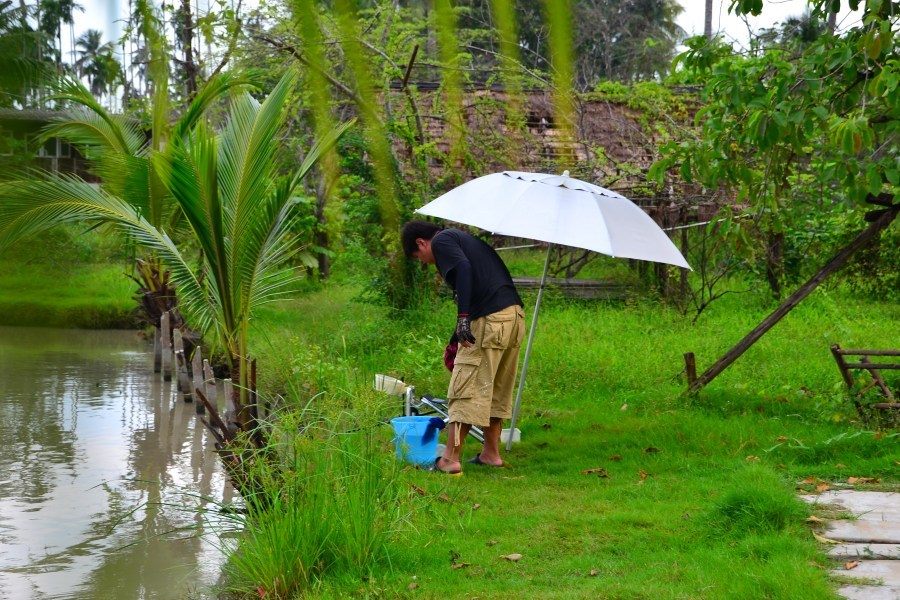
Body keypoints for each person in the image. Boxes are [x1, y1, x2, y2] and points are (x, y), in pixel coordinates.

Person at [401, 220, 525, 475]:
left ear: (421, 243)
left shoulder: (444, 241)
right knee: (495, 389)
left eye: (419, 256)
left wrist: (463, 318)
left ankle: (449, 459)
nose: (425, 262)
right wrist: (456, 333)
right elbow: (474, 282)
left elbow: (464, 269)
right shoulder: (465, 240)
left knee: (465, 390)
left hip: (490, 320)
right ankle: (491, 454)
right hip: (512, 318)